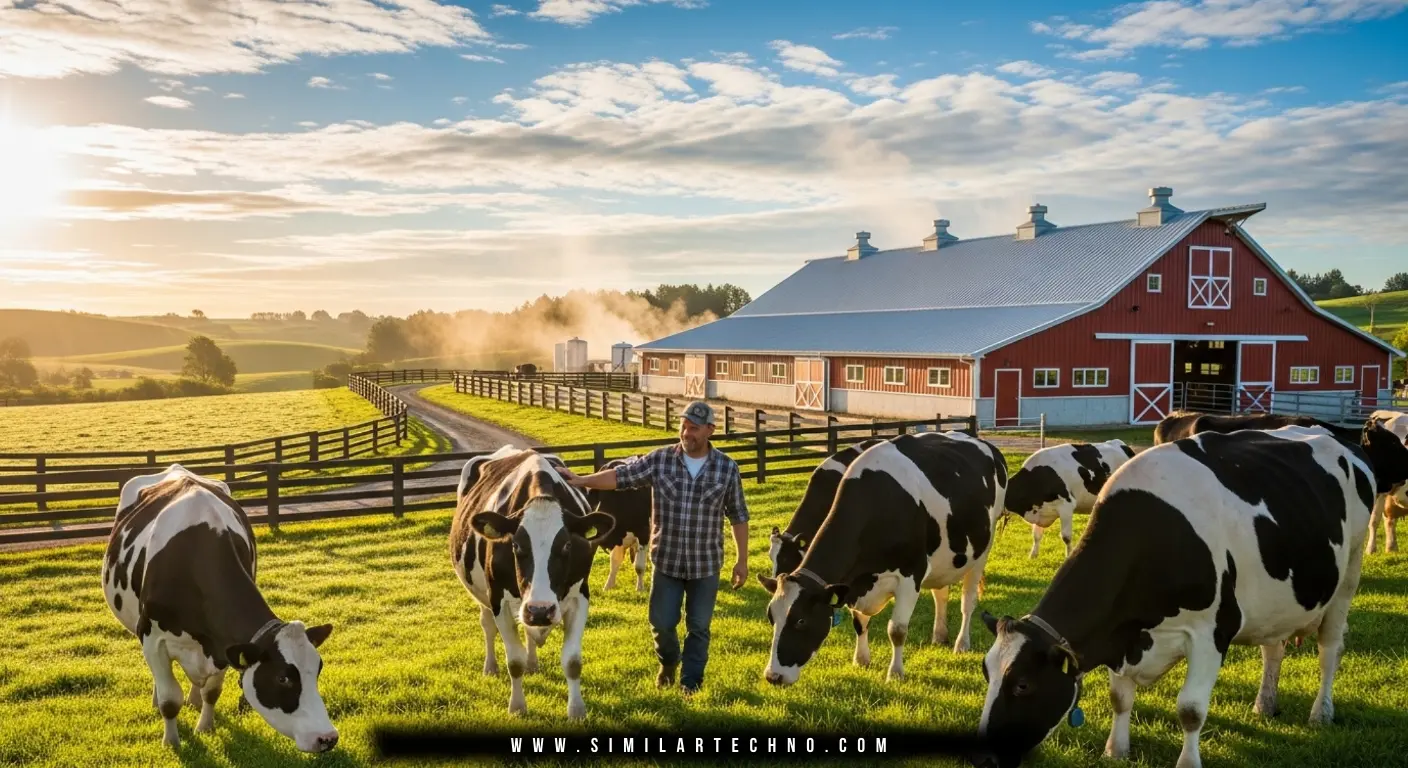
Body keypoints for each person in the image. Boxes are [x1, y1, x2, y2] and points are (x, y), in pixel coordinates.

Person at [556, 400, 749, 694]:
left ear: (710, 430)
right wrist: (582, 481)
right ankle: (669, 662)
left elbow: (738, 515)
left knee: (699, 627)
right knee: (661, 623)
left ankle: (691, 683)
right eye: (683, 426)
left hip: (705, 564)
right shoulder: (660, 460)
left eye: (694, 428)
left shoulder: (726, 468)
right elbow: (621, 477)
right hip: (667, 561)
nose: (686, 433)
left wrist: (742, 560)